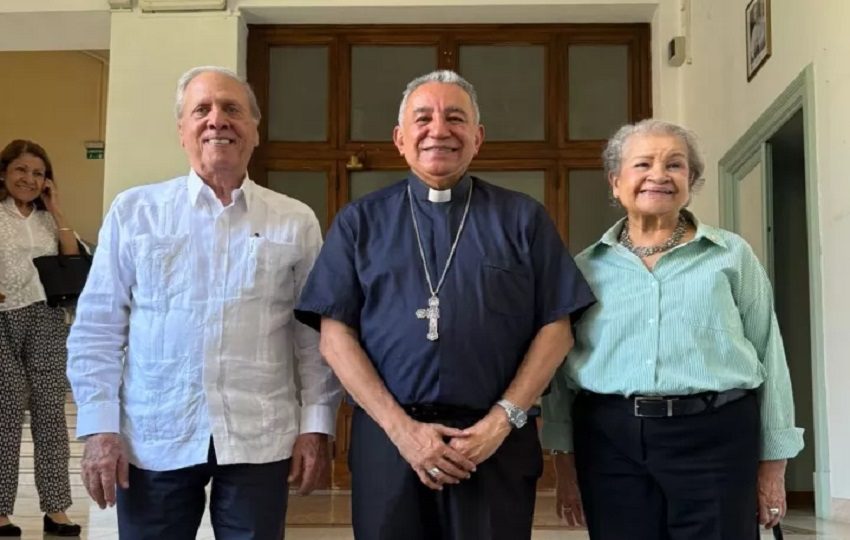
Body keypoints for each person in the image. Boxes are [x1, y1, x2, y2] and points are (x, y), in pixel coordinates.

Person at [294, 70, 596, 540]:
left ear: (477, 138)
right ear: (400, 138)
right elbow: (335, 338)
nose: (439, 130)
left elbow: (556, 327)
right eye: (423, 118)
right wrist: (403, 432)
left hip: (494, 443)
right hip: (389, 441)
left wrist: (501, 422)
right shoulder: (360, 222)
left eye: (456, 118)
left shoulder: (522, 219)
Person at [66, 66, 342, 540]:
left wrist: (316, 424)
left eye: (232, 109)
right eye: (202, 110)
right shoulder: (136, 213)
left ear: (255, 129)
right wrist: (99, 429)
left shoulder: (294, 221)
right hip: (153, 433)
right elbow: (98, 327)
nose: (218, 120)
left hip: (260, 434)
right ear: (182, 131)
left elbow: (313, 336)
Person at [541, 119, 804, 539]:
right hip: (610, 439)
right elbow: (561, 374)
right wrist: (564, 462)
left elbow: (769, 352)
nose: (658, 175)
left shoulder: (731, 255)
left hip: (715, 435)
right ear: (615, 182)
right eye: (642, 164)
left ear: (692, 180)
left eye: (675, 165)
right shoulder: (585, 268)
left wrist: (774, 464)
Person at [0, 139, 82, 537]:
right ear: (4, 173)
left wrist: (57, 208)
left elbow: (72, 260)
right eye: (20, 170)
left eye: (37, 173)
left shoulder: (50, 219)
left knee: (51, 415)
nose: (29, 179)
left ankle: (56, 509)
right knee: (6, 412)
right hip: (2, 319)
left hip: (47, 319)